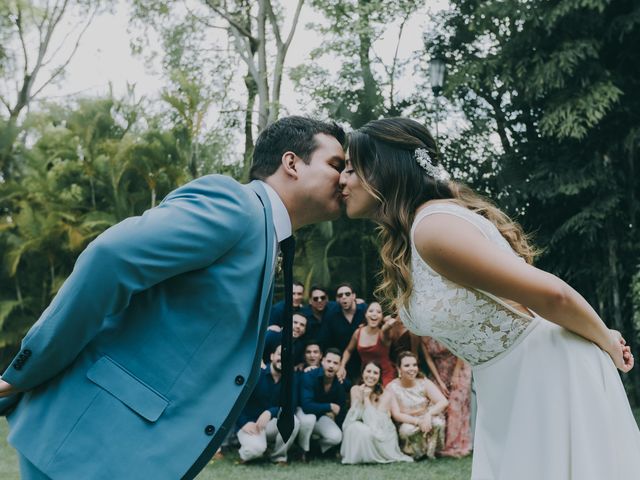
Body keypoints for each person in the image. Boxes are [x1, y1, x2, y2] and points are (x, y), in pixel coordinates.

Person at [0, 116, 346, 479]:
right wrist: (33, 366)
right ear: (291, 163)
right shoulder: (235, 205)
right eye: (335, 164)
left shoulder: (265, 233)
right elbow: (111, 259)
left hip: (126, 451)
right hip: (86, 438)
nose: (344, 178)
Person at [339, 116, 640, 479]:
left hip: (546, 372)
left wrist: (606, 339)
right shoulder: (417, 233)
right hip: (504, 384)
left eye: (351, 169)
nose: (342, 180)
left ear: (382, 170)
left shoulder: (432, 227)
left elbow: (552, 294)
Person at [236, 345, 300, 464]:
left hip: (272, 424)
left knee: (294, 421)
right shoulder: (256, 375)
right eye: (280, 354)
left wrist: (270, 412)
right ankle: (249, 450)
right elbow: (238, 401)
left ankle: (278, 457)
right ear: (272, 356)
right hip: (251, 424)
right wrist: (243, 423)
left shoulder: (291, 380)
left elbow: (291, 406)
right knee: (255, 450)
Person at [340, 361, 413, 464]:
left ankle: (372, 455)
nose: (371, 376)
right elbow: (352, 418)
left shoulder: (386, 394)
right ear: (362, 373)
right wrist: (360, 399)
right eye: (368, 371)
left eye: (375, 373)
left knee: (367, 431)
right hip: (363, 426)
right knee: (355, 427)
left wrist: (366, 399)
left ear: (379, 377)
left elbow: (374, 423)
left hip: (382, 431)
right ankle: (358, 456)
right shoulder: (355, 390)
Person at [387, 351, 448, 460]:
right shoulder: (392, 387)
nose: (412, 368)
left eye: (414, 365)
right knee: (406, 431)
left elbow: (443, 401)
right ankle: (417, 453)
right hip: (409, 420)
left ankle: (432, 451)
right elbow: (396, 414)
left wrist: (428, 415)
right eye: (407, 365)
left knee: (438, 423)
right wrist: (418, 422)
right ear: (399, 369)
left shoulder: (424, 382)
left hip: (426, 416)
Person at [420, 336, 472, 457]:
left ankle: (455, 445)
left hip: (458, 366)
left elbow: (461, 349)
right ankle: (439, 444)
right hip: (439, 369)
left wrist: (455, 374)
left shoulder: (447, 326)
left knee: (455, 405)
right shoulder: (423, 336)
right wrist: (439, 381)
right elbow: (428, 359)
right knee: (439, 404)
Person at [299, 348, 346, 454]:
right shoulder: (309, 376)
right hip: (302, 414)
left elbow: (341, 412)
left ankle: (314, 449)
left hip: (320, 416)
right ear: (323, 361)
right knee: (309, 419)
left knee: (336, 437)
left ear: (339, 366)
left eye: (335, 363)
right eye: (328, 361)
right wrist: (329, 406)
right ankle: (302, 451)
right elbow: (306, 406)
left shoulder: (339, 384)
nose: (331, 365)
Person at [337, 302, 396, 386]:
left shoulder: (383, 333)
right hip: (367, 374)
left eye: (378, 312)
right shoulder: (358, 332)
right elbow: (348, 350)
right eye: (371, 311)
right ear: (365, 314)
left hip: (385, 375)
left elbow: (386, 330)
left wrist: (387, 324)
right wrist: (342, 366)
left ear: (382, 317)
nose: (374, 314)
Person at [319, 283, 367, 380]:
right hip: (340, 362)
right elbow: (327, 342)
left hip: (364, 360)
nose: (344, 297)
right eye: (340, 295)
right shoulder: (331, 316)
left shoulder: (365, 311)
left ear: (354, 296)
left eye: (347, 294)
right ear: (337, 299)